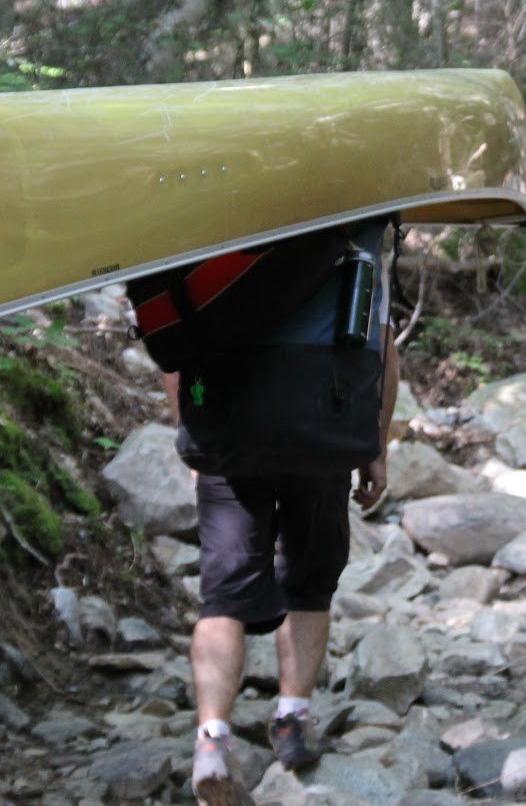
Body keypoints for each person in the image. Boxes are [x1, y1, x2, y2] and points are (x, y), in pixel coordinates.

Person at [156, 223, 399, 805]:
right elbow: (383, 351)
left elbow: (173, 349)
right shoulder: (356, 232)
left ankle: (212, 740)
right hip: (324, 424)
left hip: (231, 430)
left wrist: (194, 432)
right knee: (309, 582)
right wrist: (376, 447)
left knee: (223, 597)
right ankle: (292, 720)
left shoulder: (215, 234)